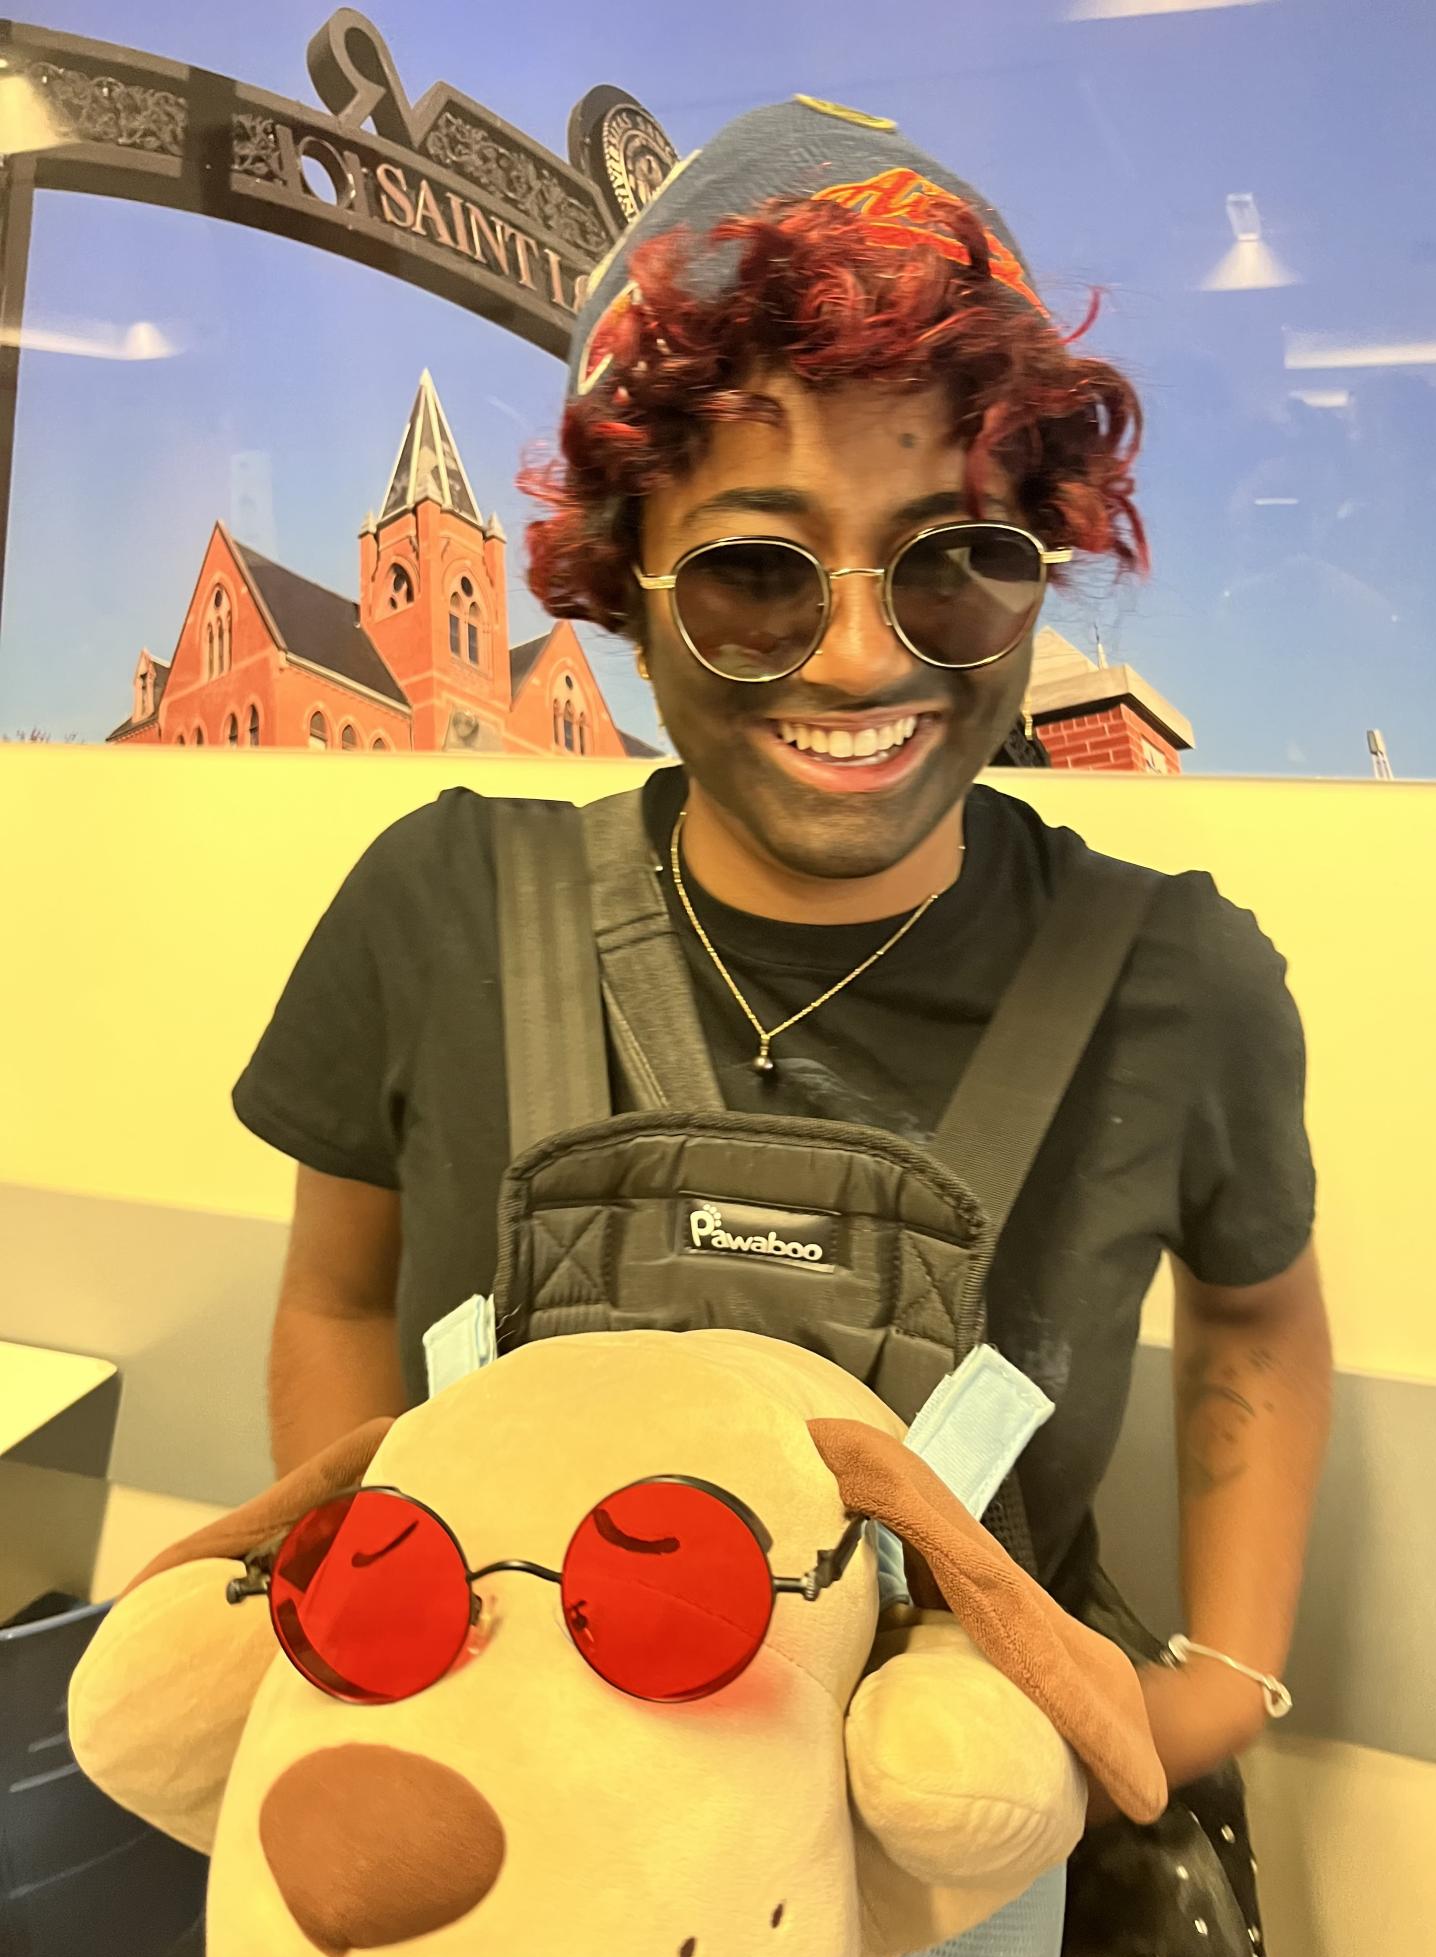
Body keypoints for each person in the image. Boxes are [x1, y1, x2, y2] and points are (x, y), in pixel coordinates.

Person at [234, 99, 1330, 1836]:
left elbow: (1259, 1318)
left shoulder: (1172, 982)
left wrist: (1206, 1695)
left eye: (954, 564)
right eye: (755, 572)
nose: (854, 656)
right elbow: (336, 1298)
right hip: (510, 1866)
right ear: (626, 573)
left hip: (960, 1889)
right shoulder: (433, 911)